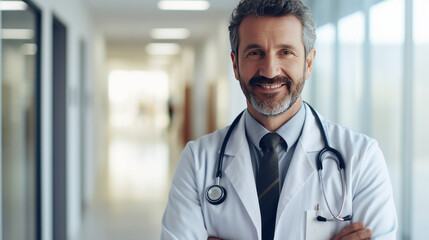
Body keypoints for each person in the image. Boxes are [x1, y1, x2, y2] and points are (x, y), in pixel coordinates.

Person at [161, 0, 397, 239]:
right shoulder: (197, 160)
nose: (270, 70)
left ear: (308, 64)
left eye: (285, 52)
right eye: (255, 53)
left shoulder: (361, 157)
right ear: (235, 64)